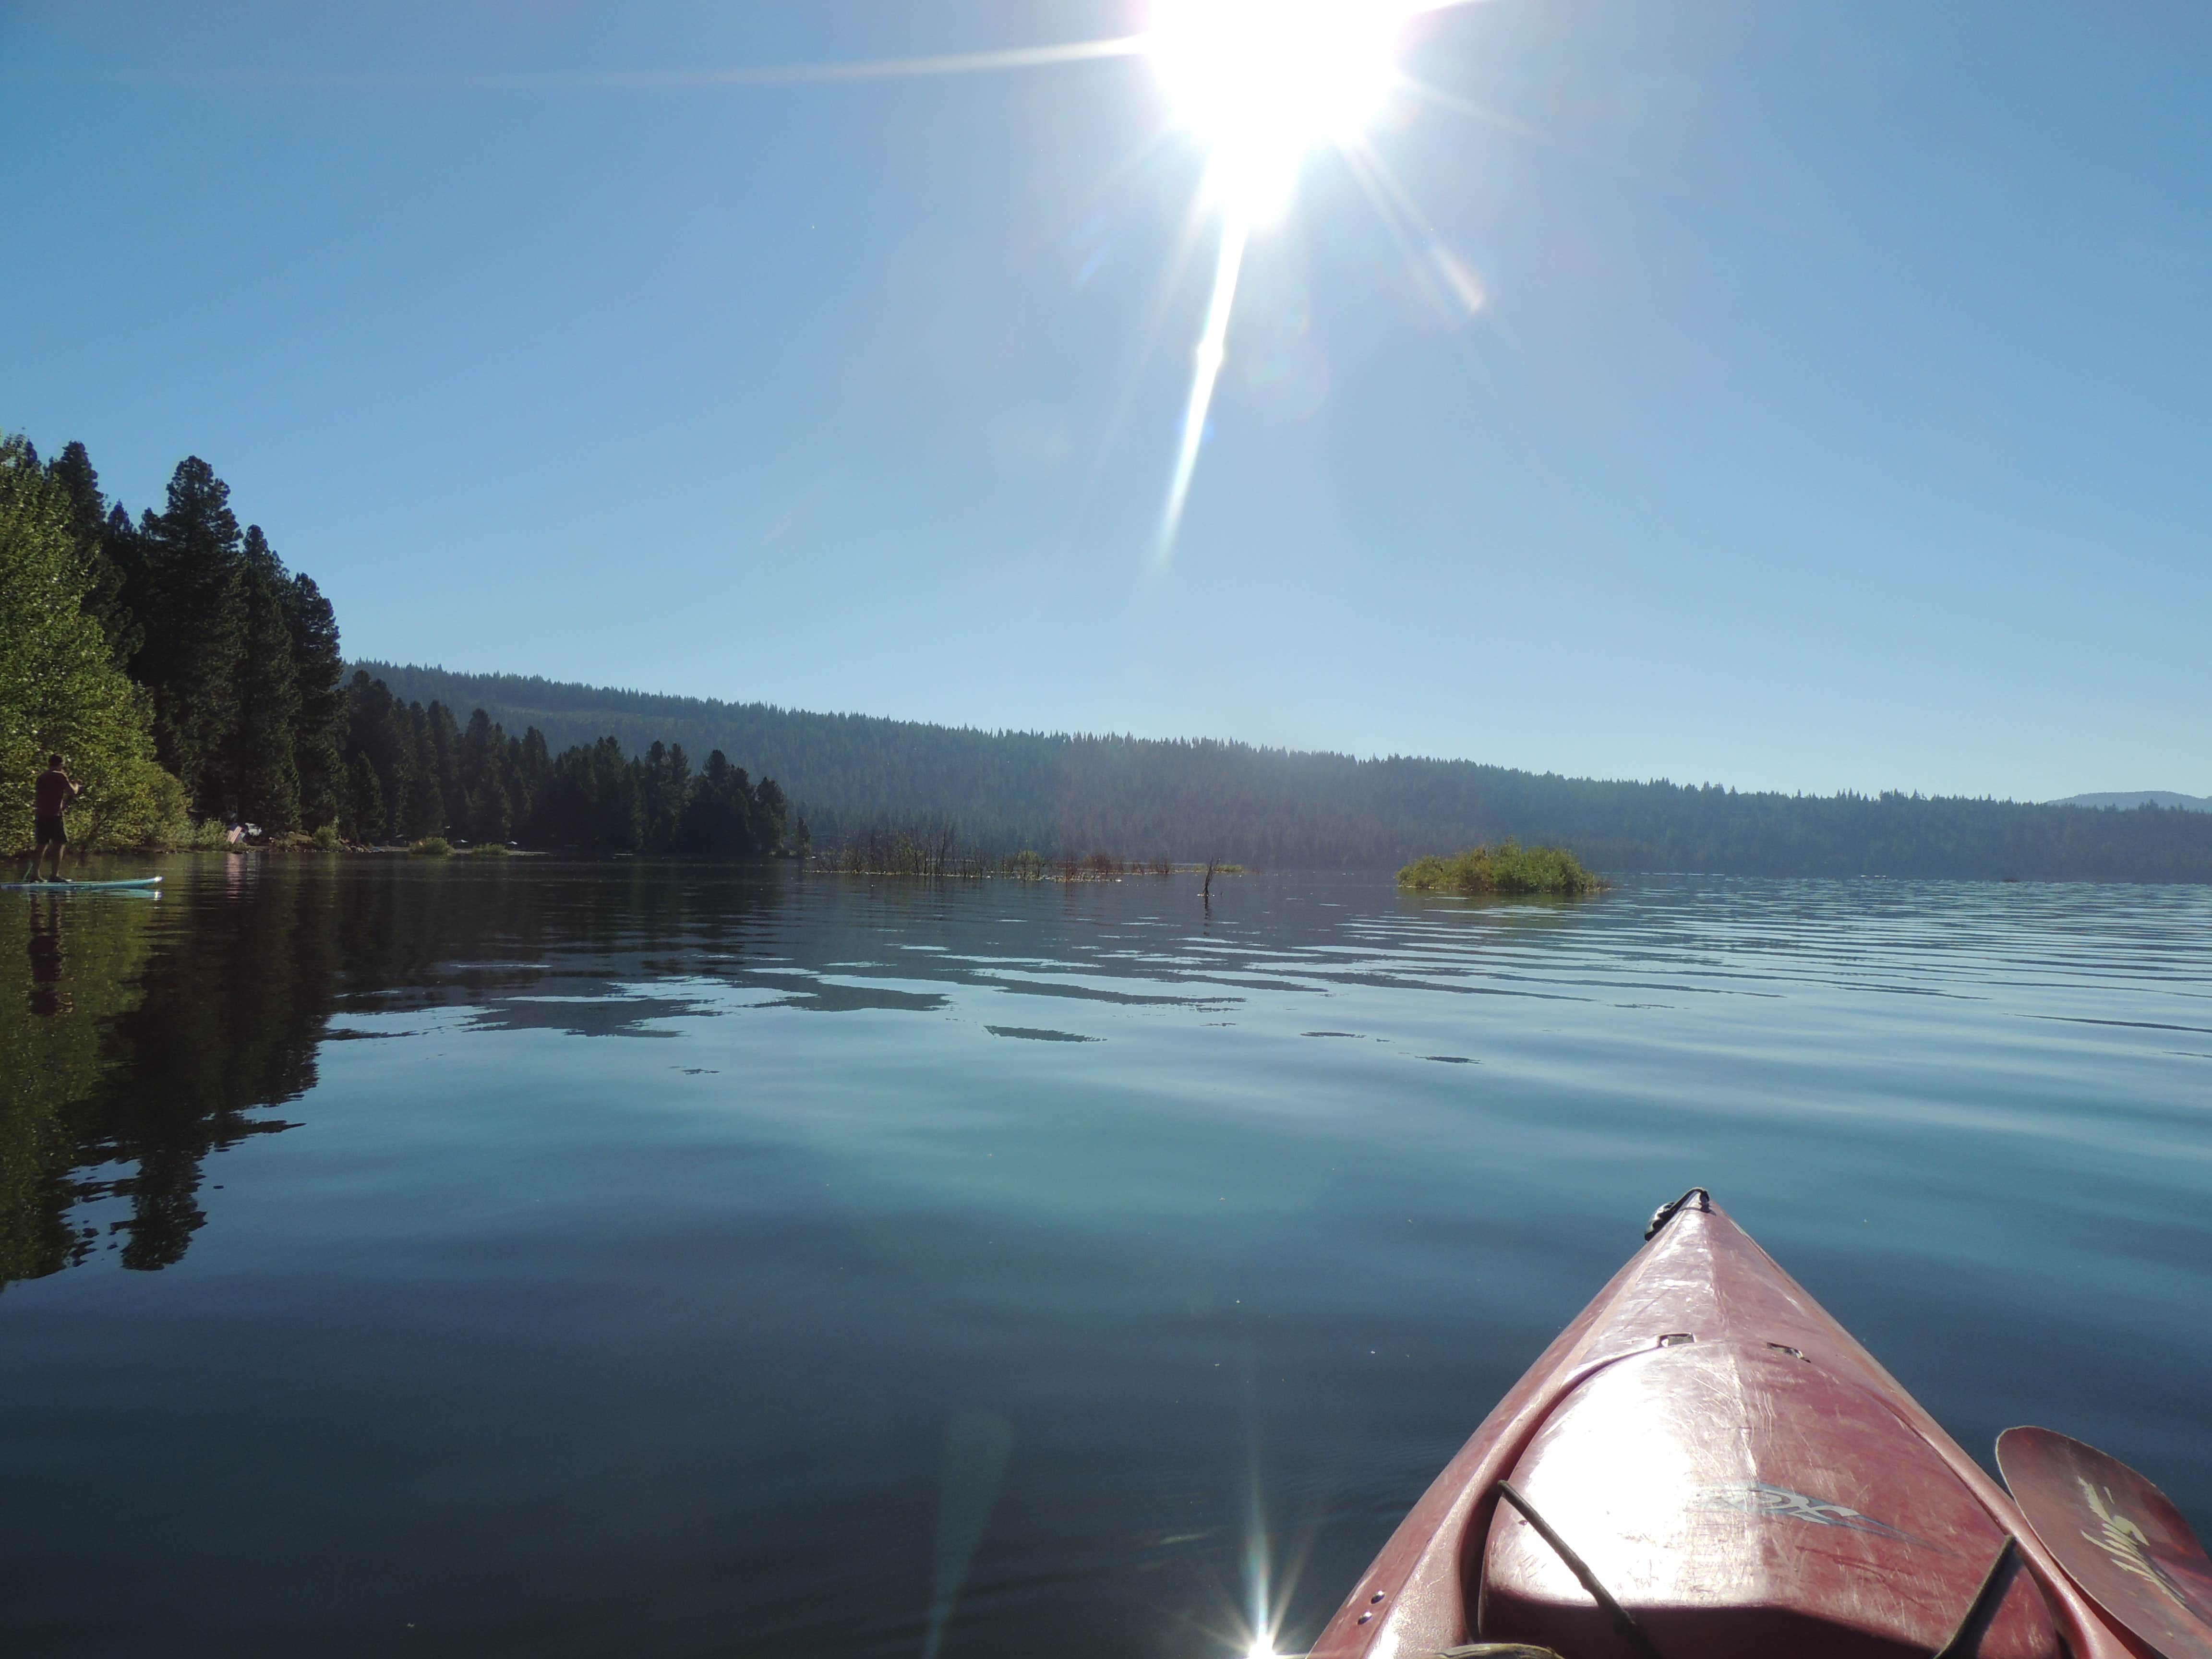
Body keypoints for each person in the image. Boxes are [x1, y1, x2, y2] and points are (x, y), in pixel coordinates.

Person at [25, 754, 84, 882]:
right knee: (59, 844)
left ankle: (35, 875)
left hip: (41, 815)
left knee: (41, 844)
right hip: (54, 816)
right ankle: (54, 875)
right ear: (60, 764)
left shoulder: (42, 777)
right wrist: (76, 785)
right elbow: (72, 792)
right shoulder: (60, 775)